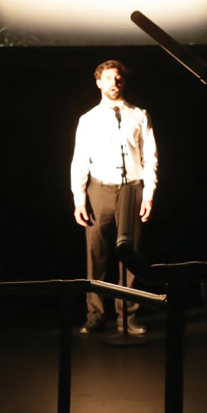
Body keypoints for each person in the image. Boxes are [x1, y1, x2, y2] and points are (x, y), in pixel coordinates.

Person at [69, 59, 156, 335]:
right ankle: (95, 315)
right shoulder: (89, 119)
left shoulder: (139, 115)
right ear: (99, 83)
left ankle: (127, 317)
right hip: (100, 189)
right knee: (97, 255)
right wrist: (79, 199)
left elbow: (150, 158)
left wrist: (149, 195)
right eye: (108, 78)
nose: (114, 83)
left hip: (132, 189)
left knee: (130, 255)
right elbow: (79, 160)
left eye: (118, 78)